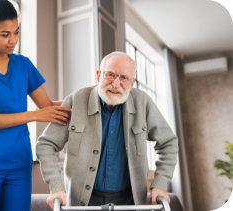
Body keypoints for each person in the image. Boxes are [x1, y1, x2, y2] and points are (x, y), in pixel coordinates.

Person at [0, 0, 71, 210]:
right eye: (5, 34)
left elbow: (48, 105)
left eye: (16, 32)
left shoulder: (23, 64)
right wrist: (35, 115)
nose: (13, 40)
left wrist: (92, 97)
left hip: (19, 165)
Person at [36, 51, 178, 209]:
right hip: (83, 203)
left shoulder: (143, 102)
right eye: (110, 75)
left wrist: (160, 183)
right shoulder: (76, 99)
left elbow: (169, 143)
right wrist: (56, 186)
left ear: (132, 83)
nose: (116, 84)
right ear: (99, 76)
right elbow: (46, 144)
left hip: (130, 202)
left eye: (124, 78)